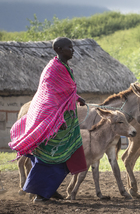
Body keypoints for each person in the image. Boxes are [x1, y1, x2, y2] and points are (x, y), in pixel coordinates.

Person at [9, 37, 87, 203]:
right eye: (69, 47)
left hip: (65, 124)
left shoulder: (65, 68)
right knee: (49, 158)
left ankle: (49, 189)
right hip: (55, 123)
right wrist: (58, 116)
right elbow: (49, 94)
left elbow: (66, 91)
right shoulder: (53, 69)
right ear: (59, 49)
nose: (72, 50)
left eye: (72, 47)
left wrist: (77, 98)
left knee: (65, 157)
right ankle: (39, 194)